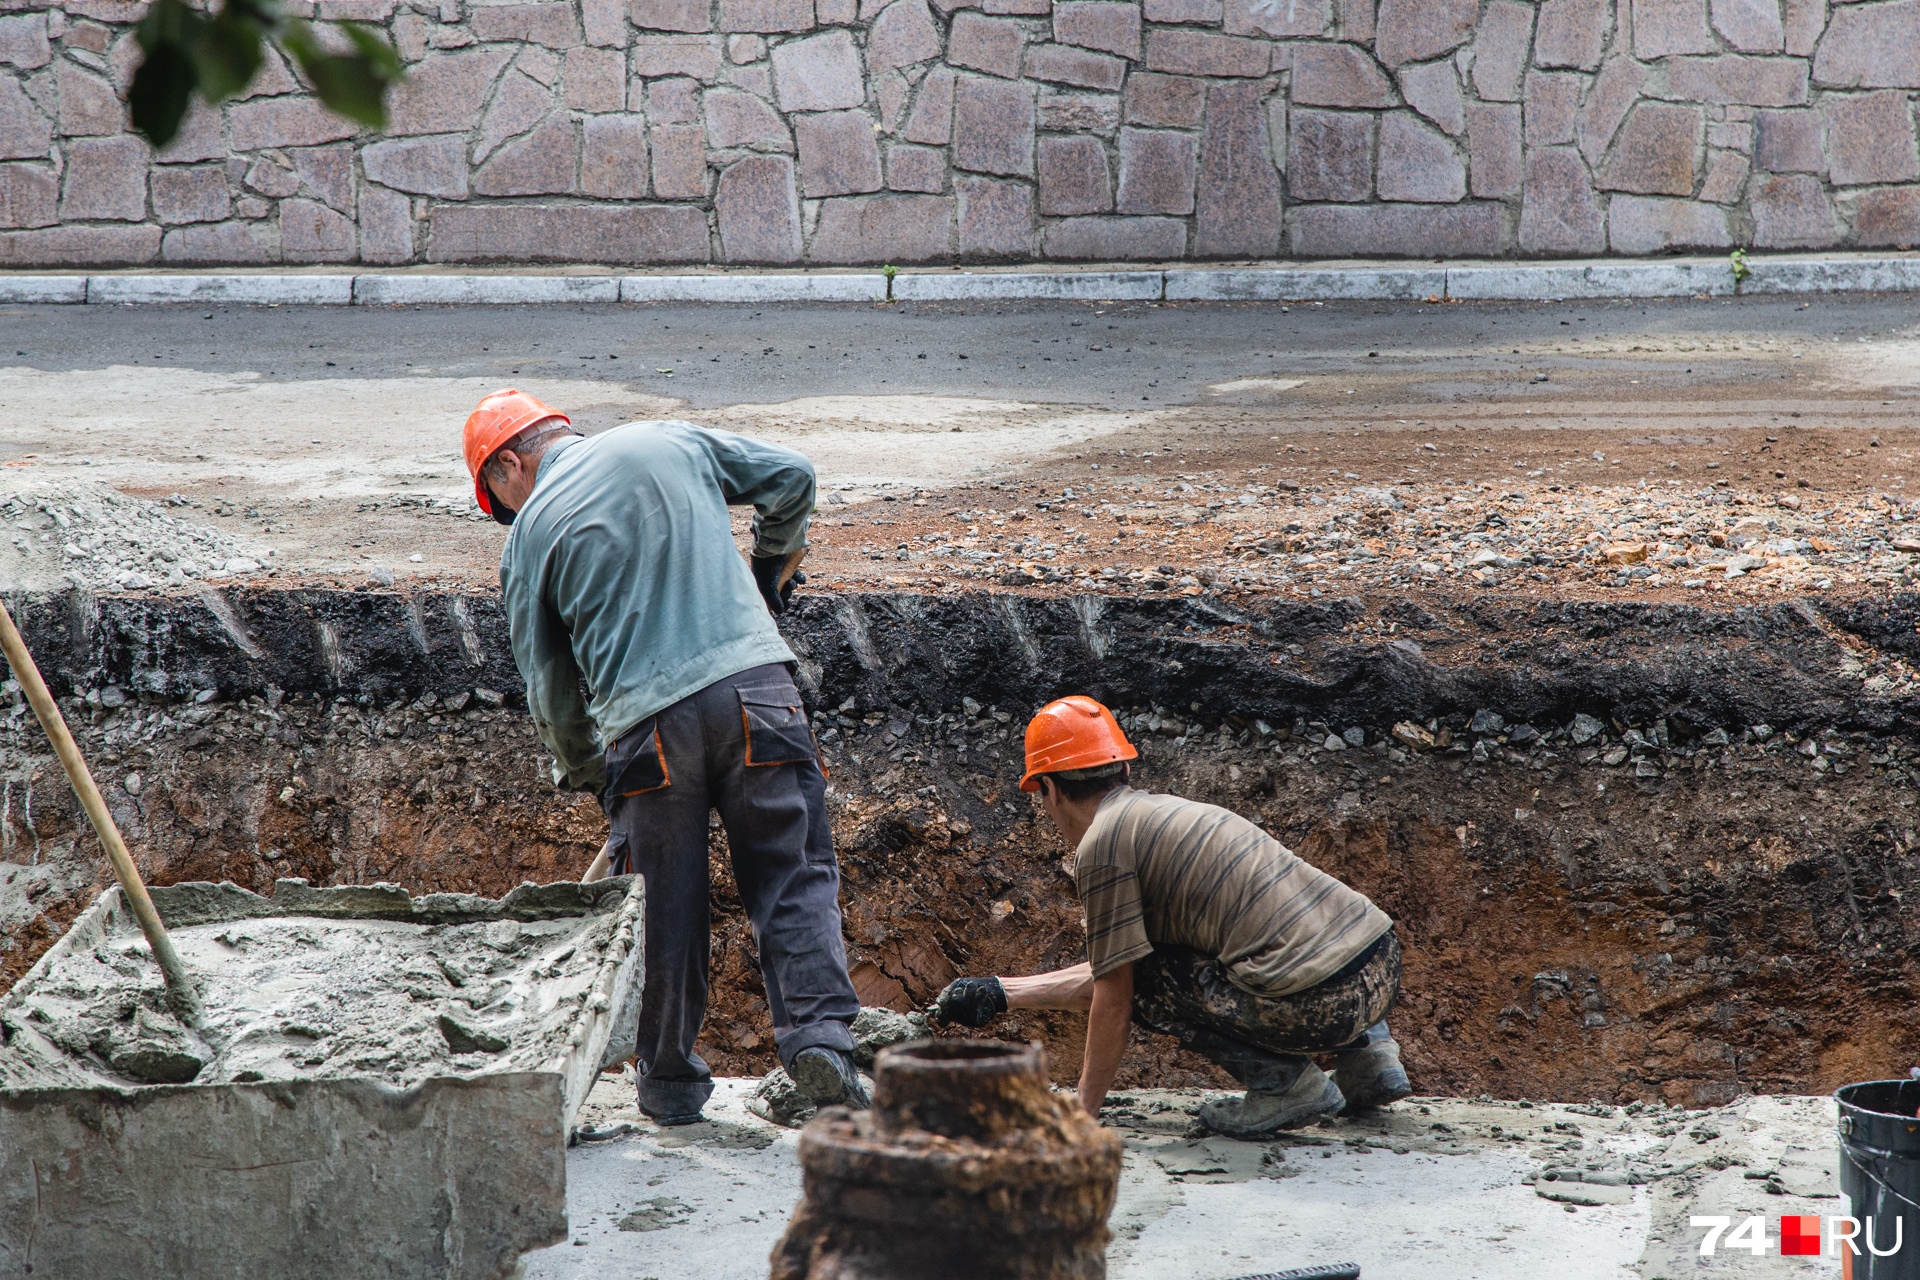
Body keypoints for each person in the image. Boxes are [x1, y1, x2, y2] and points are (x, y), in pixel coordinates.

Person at [464, 389, 866, 1125]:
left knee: (661, 913)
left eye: (501, 502)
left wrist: (591, 775)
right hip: (759, 697)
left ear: (509, 467)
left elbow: (550, 688)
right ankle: (821, 1042)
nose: (509, 519)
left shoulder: (527, 544)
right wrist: (773, 561)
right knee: (791, 873)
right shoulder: (668, 439)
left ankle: (670, 1084)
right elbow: (793, 478)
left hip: (646, 735)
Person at [932, 696, 1410, 1138]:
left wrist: (1082, 1114)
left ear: (1051, 790)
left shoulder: (1103, 847)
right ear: (1118, 768)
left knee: (1149, 977)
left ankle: (1286, 1086)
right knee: (1280, 933)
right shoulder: (1172, 815)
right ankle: (1371, 1064)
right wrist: (1002, 991)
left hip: (1319, 1002)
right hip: (1381, 967)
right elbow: (1116, 972)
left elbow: (1116, 992)